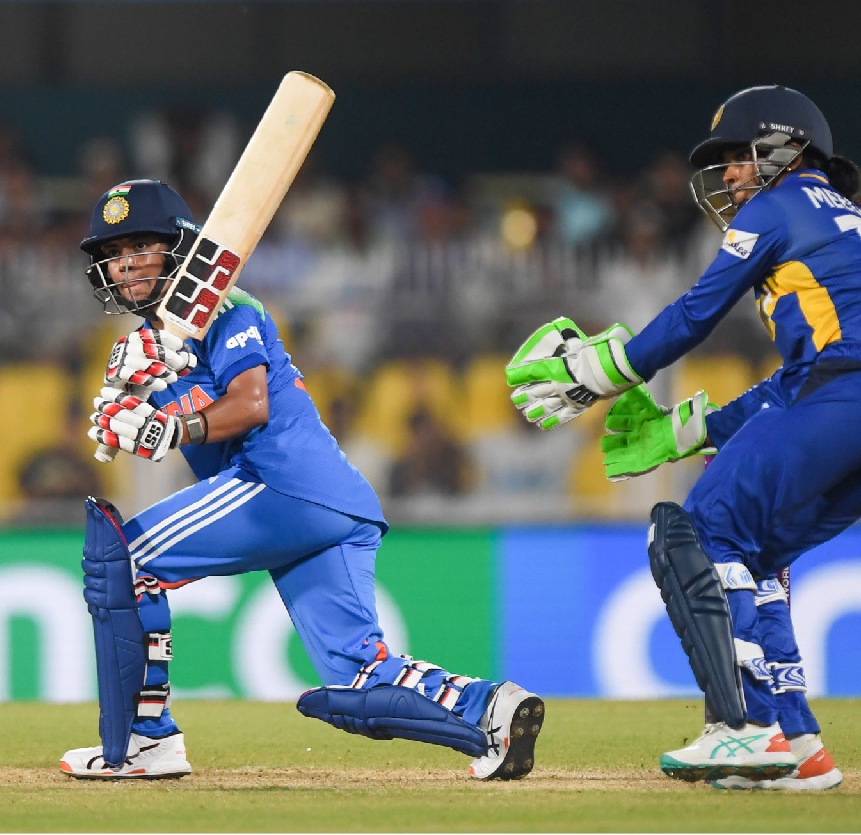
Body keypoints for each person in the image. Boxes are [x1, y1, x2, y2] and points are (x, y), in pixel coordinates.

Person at [506, 86, 861, 791]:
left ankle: (743, 726)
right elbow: (805, 378)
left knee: (699, 527)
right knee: (758, 551)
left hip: (855, 391)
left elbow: (694, 312)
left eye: (740, 156)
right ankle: (797, 744)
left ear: (786, 149)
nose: (731, 174)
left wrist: (604, 371)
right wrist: (690, 429)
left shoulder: (782, 202)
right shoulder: (845, 219)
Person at [58, 179, 544, 781]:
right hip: (326, 505)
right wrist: (121, 414)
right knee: (358, 677)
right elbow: (135, 430)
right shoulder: (150, 345)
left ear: (180, 247)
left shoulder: (228, 306)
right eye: (113, 253)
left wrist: (170, 428)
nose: (125, 264)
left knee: (125, 561)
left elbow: (251, 404)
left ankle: (143, 741)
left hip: (278, 482)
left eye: (140, 246)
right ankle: (492, 710)